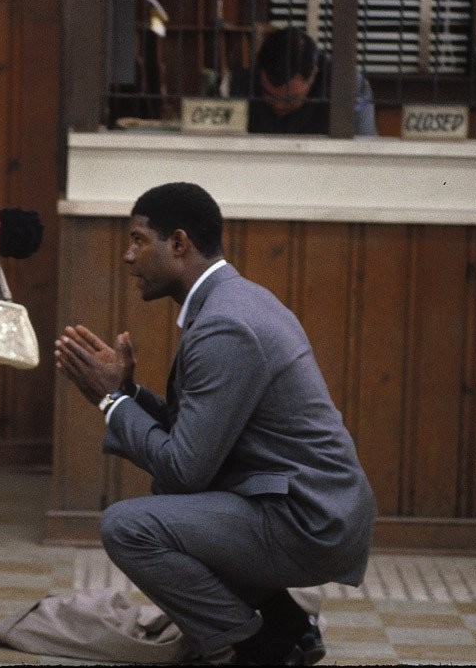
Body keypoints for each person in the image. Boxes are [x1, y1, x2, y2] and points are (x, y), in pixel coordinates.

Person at [53, 182, 376, 665]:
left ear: (179, 243)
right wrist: (127, 393)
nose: (128, 256)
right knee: (174, 505)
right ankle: (291, 628)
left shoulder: (226, 323)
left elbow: (186, 468)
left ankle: (256, 647)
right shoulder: (233, 301)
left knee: (128, 526)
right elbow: (200, 431)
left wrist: (110, 402)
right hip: (310, 505)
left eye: (139, 240)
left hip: (309, 518)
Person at [221, 26, 377, 135]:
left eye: (291, 99)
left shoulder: (347, 86)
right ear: (258, 70)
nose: (279, 105)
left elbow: (361, 151)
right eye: (269, 94)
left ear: (314, 74)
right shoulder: (236, 86)